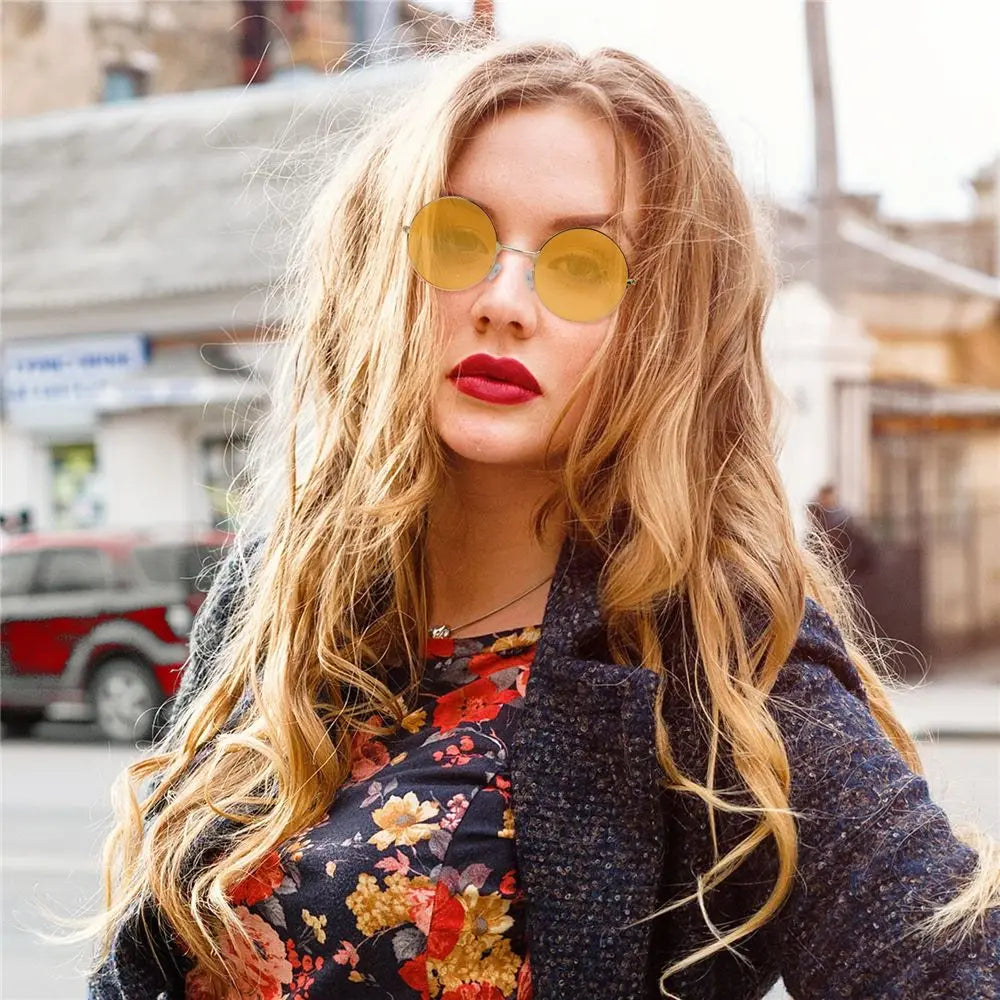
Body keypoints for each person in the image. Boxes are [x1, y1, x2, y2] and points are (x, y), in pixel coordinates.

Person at [84, 39, 999, 1000]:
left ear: (661, 331)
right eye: (457, 239)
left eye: (583, 265)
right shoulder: (283, 584)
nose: (505, 302)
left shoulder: (709, 656)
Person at [806, 482, 878, 580]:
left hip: (847, 573)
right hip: (832, 574)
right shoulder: (818, 525)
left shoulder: (845, 524)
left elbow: (859, 552)